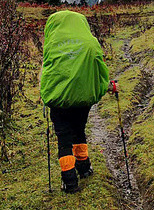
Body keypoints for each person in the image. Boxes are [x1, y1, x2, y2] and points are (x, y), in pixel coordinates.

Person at [40, 10, 115, 193]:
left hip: (58, 101)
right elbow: (100, 69)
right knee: (79, 131)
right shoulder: (91, 44)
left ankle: (69, 182)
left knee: (64, 138)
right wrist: (108, 86)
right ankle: (84, 169)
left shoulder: (52, 45)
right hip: (82, 100)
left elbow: (48, 73)